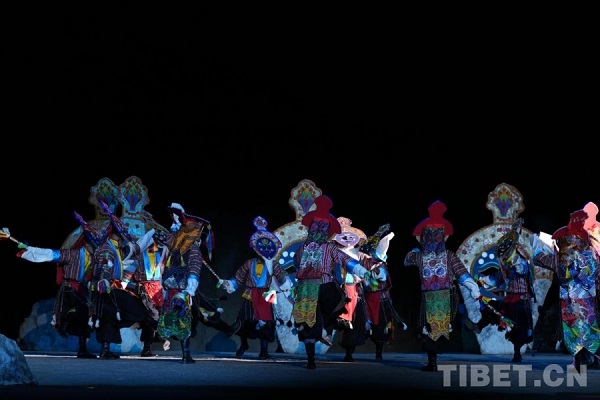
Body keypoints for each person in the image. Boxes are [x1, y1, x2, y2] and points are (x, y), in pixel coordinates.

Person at [291, 195, 376, 370]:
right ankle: (327, 329)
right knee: (330, 309)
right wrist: (362, 271)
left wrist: (361, 271)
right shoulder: (326, 248)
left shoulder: (304, 248)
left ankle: (315, 352)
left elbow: (298, 264)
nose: (319, 229)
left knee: (314, 318)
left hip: (310, 288)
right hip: (318, 287)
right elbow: (345, 261)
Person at [154, 203, 238, 364]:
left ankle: (186, 352)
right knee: (184, 318)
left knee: (192, 315)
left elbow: (189, 266)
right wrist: (189, 288)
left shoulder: (182, 246)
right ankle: (185, 355)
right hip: (181, 290)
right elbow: (192, 268)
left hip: (176, 288)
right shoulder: (186, 247)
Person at [403, 200, 481, 372]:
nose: (433, 239)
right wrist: (472, 287)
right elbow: (407, 261)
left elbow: (461, 272)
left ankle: (432, 362)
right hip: (432, 297)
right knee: (430, 329)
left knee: (435, 329)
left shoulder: (439, 256)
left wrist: (473, 287)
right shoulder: (427, 256)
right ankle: (432, 362)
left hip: (442, 297)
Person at [532, 208, 600, 372]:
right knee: (585, 329)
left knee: (577, 330)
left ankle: (585, 359)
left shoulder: (568, 258)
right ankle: (588, 358)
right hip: (584, 299)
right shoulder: (590, 255)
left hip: (574, 300)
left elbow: (543, 260)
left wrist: (538, 247)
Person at [220, 216, 293, 359]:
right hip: (250, 295)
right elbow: (238, 278)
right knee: (244, 323)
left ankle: (264, 351)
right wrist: (229, 284)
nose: (264, 250)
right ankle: (244, 345)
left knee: (266, 324)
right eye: (261, 248)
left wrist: (285, 283)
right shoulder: (249, 263)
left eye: (267, 248)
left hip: (266, 296)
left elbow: (282, 274)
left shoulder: (273, 264)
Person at [477, 218, 535, 363]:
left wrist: (514, 260)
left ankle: (517, 352)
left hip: (522, 299)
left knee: (519, 327)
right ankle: (479, 325)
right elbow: (497, 278)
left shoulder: (521, 261)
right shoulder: (506, 265)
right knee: (493, 309)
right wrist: (482, 281)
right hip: (510, 298)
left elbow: (521, 269)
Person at [359, 223, 407, 361]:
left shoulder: (379, 264)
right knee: (369, 322)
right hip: (369, 297)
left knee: (381, 324)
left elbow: (380, 278)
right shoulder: (366, 261)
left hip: (380, 298)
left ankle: (379, 351)